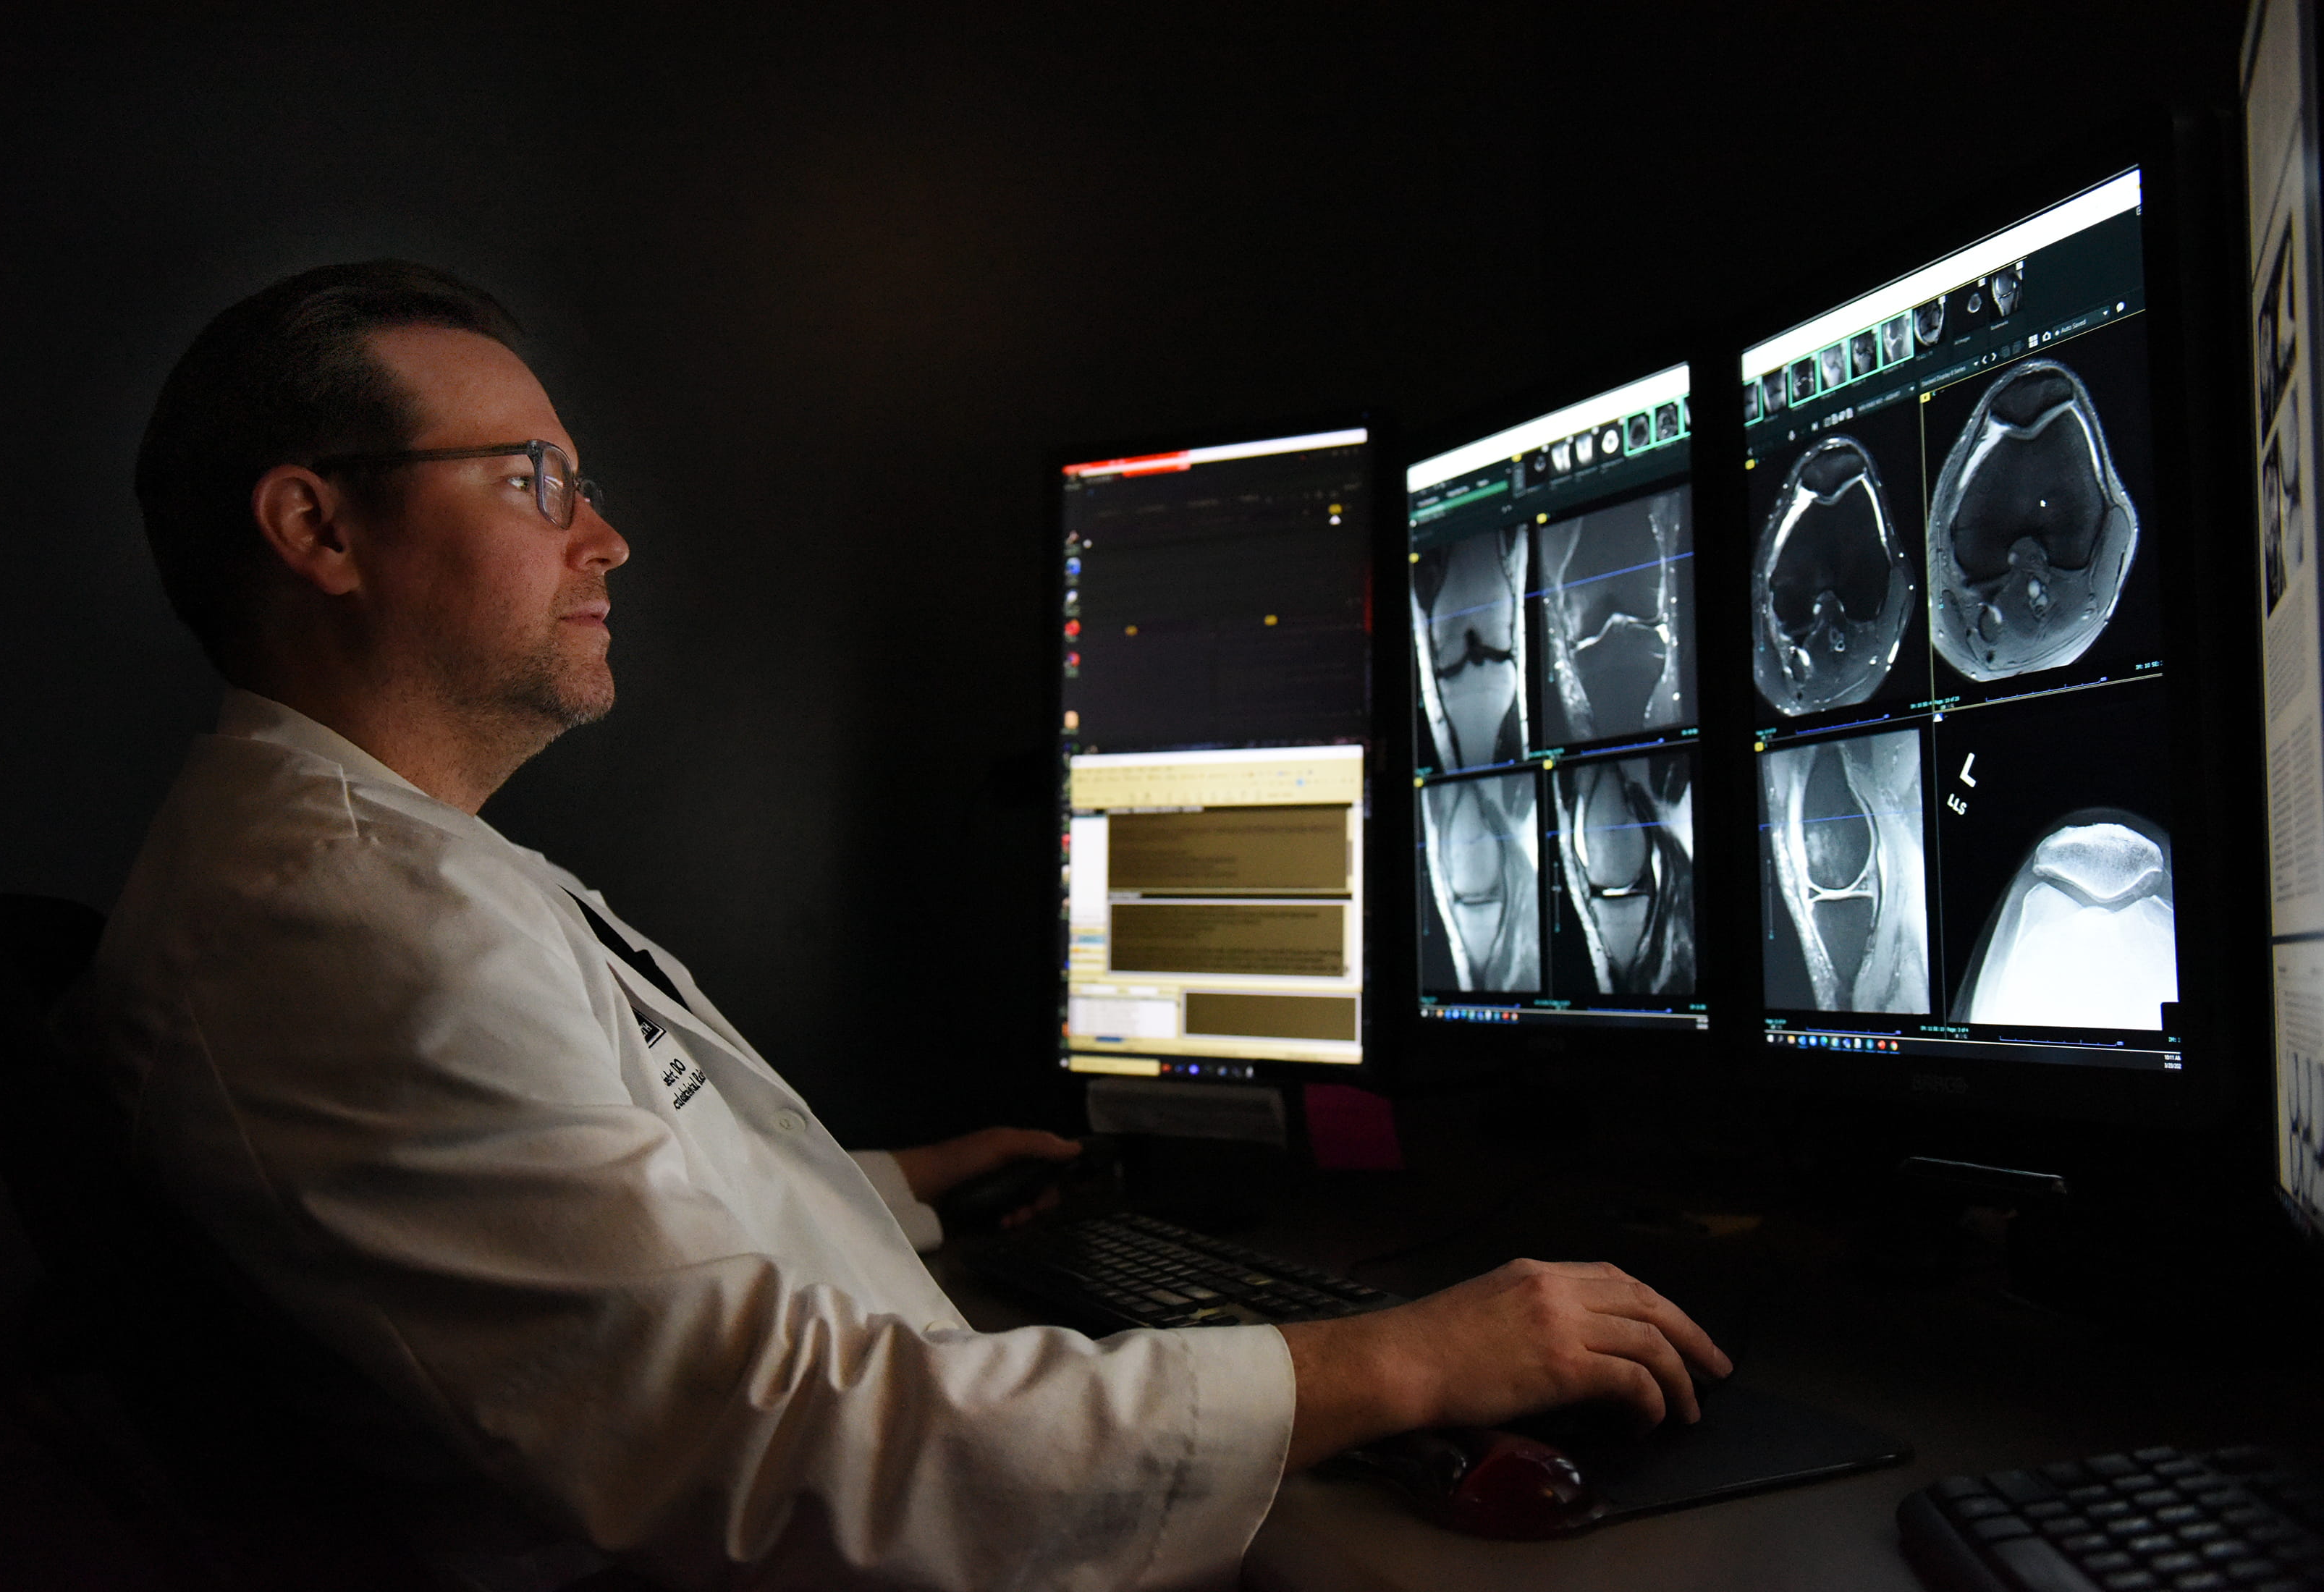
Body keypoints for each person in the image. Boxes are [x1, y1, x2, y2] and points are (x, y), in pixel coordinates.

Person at [86, 261, 1731, 1591]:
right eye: (533, 480)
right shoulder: (344, 924)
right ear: (316, 529)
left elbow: (570, 1240)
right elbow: (784, 1450)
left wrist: (889, 1190)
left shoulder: (354, 872)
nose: (607, 536)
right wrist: (1405, 1365)